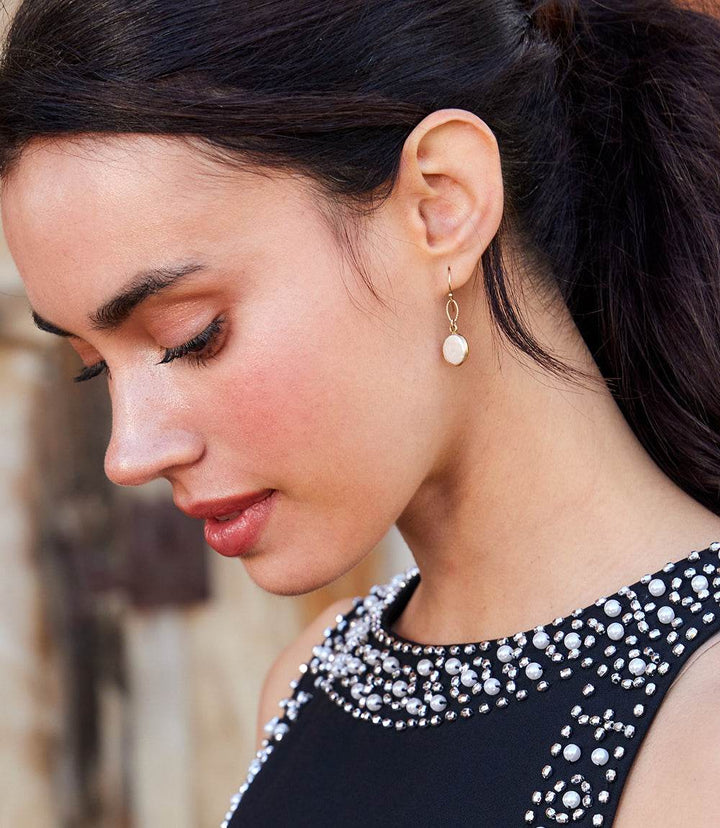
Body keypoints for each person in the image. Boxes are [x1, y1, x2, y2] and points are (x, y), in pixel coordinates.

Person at [2, 0, 720, 824]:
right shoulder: (307, 686)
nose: (128, 454)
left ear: (441, 205)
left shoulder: (701, 738)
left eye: (191, 337)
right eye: (95, 368)